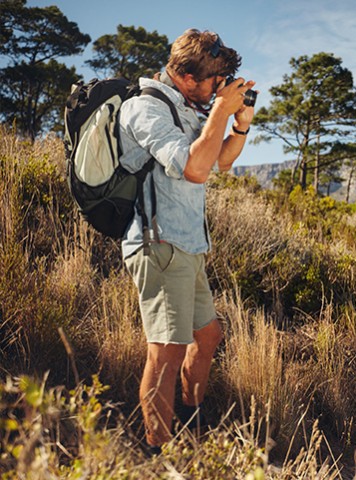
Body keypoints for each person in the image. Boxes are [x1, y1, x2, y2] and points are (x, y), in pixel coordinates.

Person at [118, 28, 256, 454]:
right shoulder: (145, 109)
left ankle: (192, 425)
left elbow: (221, 162)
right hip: (158, 245)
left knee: (208, 337)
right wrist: (218, 111)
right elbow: (194, 169)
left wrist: (240, 122)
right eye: (215, 81)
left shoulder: (189, 106)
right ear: (187, 76)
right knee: (166, 353)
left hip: (188, 246)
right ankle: (157, 455)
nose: (220, 88)